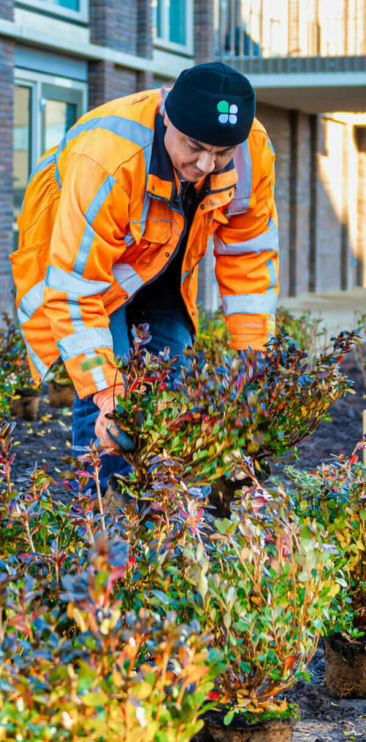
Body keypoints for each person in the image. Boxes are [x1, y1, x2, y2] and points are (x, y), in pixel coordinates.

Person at [11, 62, 279, 489]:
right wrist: (106, 393)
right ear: (167, 116)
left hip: (157, 256)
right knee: (108, 399)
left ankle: (156, 524)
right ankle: (106, 531)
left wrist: (252, 366)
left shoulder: (251, 149)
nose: (207, 164)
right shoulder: (109, 157)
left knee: (169, 381)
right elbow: (76, 290)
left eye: (222, 153)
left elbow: (248, 256)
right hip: (80, 259)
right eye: (194, 146)